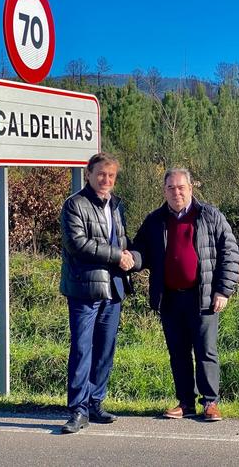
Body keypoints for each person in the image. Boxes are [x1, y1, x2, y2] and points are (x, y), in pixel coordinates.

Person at [130, 168, 239, 421]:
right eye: (171, 188)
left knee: (206, 352)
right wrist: (129, 259)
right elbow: (141, 251)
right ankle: (185, 403)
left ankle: (210, 402)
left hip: (202, 297)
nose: (176, 192)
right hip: (170, 298)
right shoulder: (155, 220)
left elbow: (230, 254)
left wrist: (223, 290)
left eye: (181, 187)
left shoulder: (210, 216)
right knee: (178, 353)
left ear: (191, 188)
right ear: (164, 190)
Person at [59, 152, 139, 434]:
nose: (106, 180)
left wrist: (131, 256)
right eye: (101, 174)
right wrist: (118, 256)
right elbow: (78, 244)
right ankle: (78, 410)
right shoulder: (74, 205)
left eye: (111, 176)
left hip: (113, 288)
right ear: (89, 173)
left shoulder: (117, 206)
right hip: (84, 288)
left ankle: (95, 402)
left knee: (105, 349)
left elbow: (122, 239)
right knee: (82, 349)